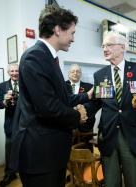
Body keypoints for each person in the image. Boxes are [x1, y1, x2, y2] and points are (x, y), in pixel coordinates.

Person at [10, 5, 88, 187]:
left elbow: (57, 99)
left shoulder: (49, 57)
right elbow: (47, 107)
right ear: (58, 29)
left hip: (51, 154)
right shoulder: (35, 57)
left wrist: (74, 106)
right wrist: (77, 115)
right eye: (72, 32)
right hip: (39, 157)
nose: (73, 39)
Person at [86, 32, 136, 187]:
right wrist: (81, 111)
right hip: (108, 135)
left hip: (132, 135)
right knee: (111, 182)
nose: (105, 48)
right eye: (103, 45)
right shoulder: (100, 75)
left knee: (133, 182)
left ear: (123, 47)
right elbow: (97, 103)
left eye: (109, 45)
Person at [0, 63, 19, 186]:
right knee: (9, 148)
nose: (15, 73)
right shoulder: (2, 86)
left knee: (26, 146)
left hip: (24, 121)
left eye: (16, 71)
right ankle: (9, 174)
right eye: (12, 71)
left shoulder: (26, 83)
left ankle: (25, 170)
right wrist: (5, 99)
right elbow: (0, 105)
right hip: (10, 121)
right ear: (8, 72)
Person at [66, 64, 95, 132]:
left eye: (78, 71)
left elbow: (95, 103)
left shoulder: (90, 87)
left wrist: (83, 107)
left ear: (81, 74)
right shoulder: (62, 86)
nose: (75, 73)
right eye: (73, 71)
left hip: (86, 124)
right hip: (67, 124)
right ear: (69, 74)